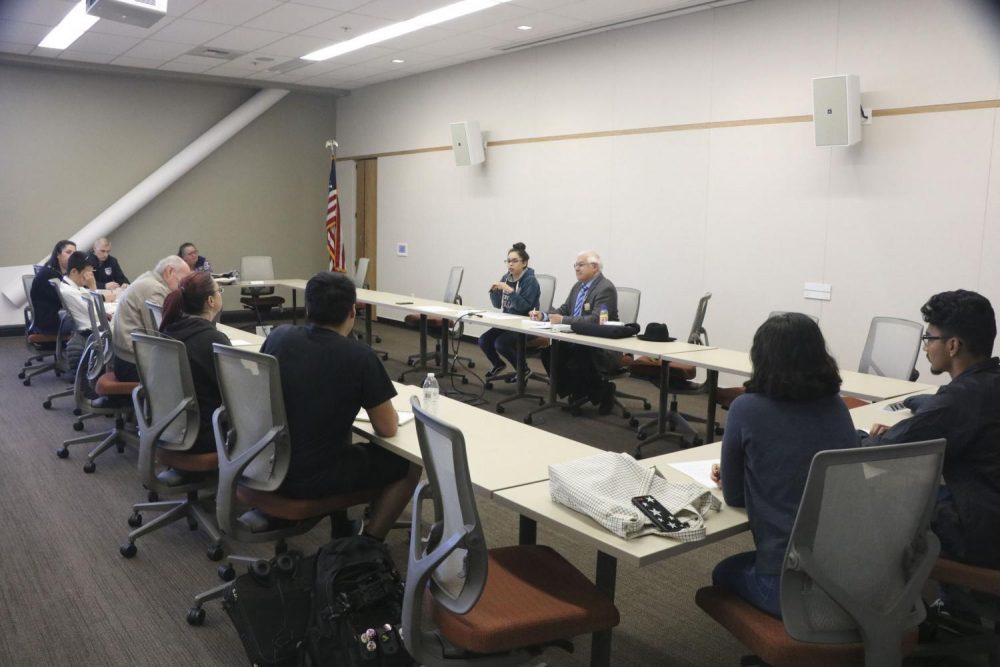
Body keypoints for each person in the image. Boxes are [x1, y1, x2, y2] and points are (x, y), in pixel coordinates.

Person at [710, 313, 858, 618]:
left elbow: (735, 498)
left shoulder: (745, 409)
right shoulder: (837, 406)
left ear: (760, 357)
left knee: (724, 571)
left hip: (787, 582)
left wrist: (743, 475)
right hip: (850, 577)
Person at [261, 271, 421, 541]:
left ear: (308, 307)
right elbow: (386, 428)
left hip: (264, 461)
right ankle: (368, 542)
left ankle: (346, 523)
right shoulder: (359, 356)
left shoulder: (279, 336)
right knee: (408, 463)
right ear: (352, 312)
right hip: (309, 477)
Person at [862, 290, 1000, 578]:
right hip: (989, 512)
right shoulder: (986, 385)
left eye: (929, 339)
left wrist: (856, 435)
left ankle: (879, 601)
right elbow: (948, 413)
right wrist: (922, 409)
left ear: (953, 345)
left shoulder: (959, 400)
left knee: (874, 492)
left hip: (981, 532)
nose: (925, 348)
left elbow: (883, 452)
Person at [530, 250, 619, 413]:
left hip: (599, 345)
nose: (576, 268)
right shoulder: (578, 286)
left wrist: (563, 320)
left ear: (594, 267)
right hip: (577, 339)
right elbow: (565, 309)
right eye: (575, 265)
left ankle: (599, 391)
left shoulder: (606, 288)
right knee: (548, 354)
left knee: (577, 358)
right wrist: (543, 315)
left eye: (580, 265)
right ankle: (576, 392)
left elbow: (596, 320)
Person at [158, 272, 230, 454]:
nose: (220, 293)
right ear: (211, 301)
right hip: (205, 433)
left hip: (170, 425)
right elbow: (234, 392)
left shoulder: (170, 329)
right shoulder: (213, 339)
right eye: (219, 290)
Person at [111, 255, 191, 382]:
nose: (185, 286)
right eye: (184, 280)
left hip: (126, 357)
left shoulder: (149, 279)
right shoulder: (155, 290)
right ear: (169, 271)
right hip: (133, 364)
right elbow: (162, 336)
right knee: (193, 372)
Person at [480, 242, 541, 381]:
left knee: (501, 343)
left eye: (514, 261)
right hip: (509, 322)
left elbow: (523, 308)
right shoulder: (506, 277)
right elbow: (497, 304)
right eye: (508, 261)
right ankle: (498, 364)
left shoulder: (531, 281)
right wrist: (493, 292)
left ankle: (523, 370)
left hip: (526, 324)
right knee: (484, 340)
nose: (510, 264)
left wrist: (509, 291)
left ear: (524, 263)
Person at [57, 251, 117, 370]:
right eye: (87, 273)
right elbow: (96, 312)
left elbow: (96, 305)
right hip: (93, 330)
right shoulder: (69, 292)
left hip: (95, 326)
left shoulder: (74, 288)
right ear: (74, 271)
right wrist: (93, 287)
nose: (90, 277)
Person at [29, 240, 77, 335]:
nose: (72, 256)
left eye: (74, 253)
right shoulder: (49, 275)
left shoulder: (57, 273)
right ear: (58, 255)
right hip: (51, 322)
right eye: (68, 252)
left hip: (54, 317)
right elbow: (67, 300)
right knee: (91, 321)